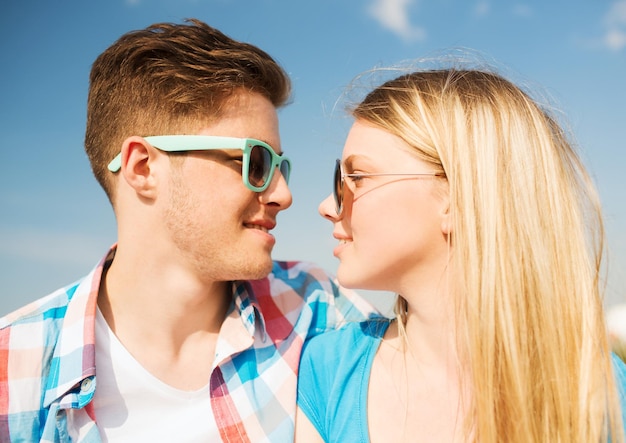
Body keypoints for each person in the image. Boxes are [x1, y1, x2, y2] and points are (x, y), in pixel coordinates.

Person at [0, 19, 378, 442]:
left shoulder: (315, 309)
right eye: (256, 163)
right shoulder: (13, 369)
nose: (283, 194)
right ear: (143, 167)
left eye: (280, 166)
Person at [295, 67, 626, 442]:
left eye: (356, 177)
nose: (327, 205)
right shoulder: (329, 370)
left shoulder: (600, 392)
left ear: (458, 196)